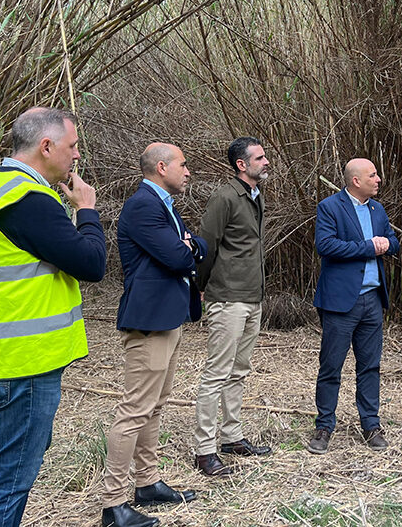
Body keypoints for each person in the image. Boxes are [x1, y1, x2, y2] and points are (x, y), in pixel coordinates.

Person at [0, 107, 106, 526]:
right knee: (9, 479)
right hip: (22, 362)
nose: (77, 156)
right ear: (46, 147)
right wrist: (87, 209)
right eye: (72, 146)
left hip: (8, 358)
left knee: (9, 471)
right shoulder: (25, 198)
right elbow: (91, 263)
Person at [101, 143, 207, 527]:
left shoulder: (164, 205)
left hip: (169, 317)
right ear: (161, 167)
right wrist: (187, 248)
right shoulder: (143, 205)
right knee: (134, 410)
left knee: (155, 404)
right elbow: (180, 258)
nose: (188, 171)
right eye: (183, 164)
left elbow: (198, 247)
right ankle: (113, 504)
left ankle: (146, 483)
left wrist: (188, 246)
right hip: (148, 321)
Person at [307, 158, 399, 455]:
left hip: (372, 299)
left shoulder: (377, 208)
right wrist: (368, 247)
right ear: (355, 181)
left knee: (370, 366)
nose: (379, 179)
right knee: (331, 365)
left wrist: (386, 244)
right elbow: (326, 246)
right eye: (373, 175)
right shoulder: (330, 207)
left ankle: (371, 425)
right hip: (341, 302)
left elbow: (393, 242)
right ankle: (324, 426)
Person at [193, 136, 272, 475]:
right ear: (242, 164)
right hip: (227, 298)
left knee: (239, 371)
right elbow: (207, 246)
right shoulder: (225, 197)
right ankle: (204, 450)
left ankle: (232, 437)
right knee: (216, 373)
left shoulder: (256, 196)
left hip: (251, 296)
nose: (266, 161)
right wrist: (198, 287)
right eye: (260, 157)